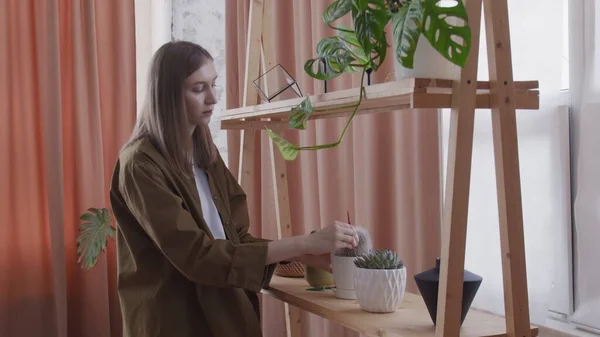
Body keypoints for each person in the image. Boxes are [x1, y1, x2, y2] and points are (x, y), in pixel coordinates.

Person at [109, 40, 359, 337]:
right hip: (174, 320)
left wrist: (305, 255)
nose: (213, 98)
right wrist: (303, 243)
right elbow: (197, 256)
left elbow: (234, 238)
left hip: (223, 313)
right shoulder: (140, 165)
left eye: (214, 84)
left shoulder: (203, 150)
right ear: (166, 95)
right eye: (198, 88)